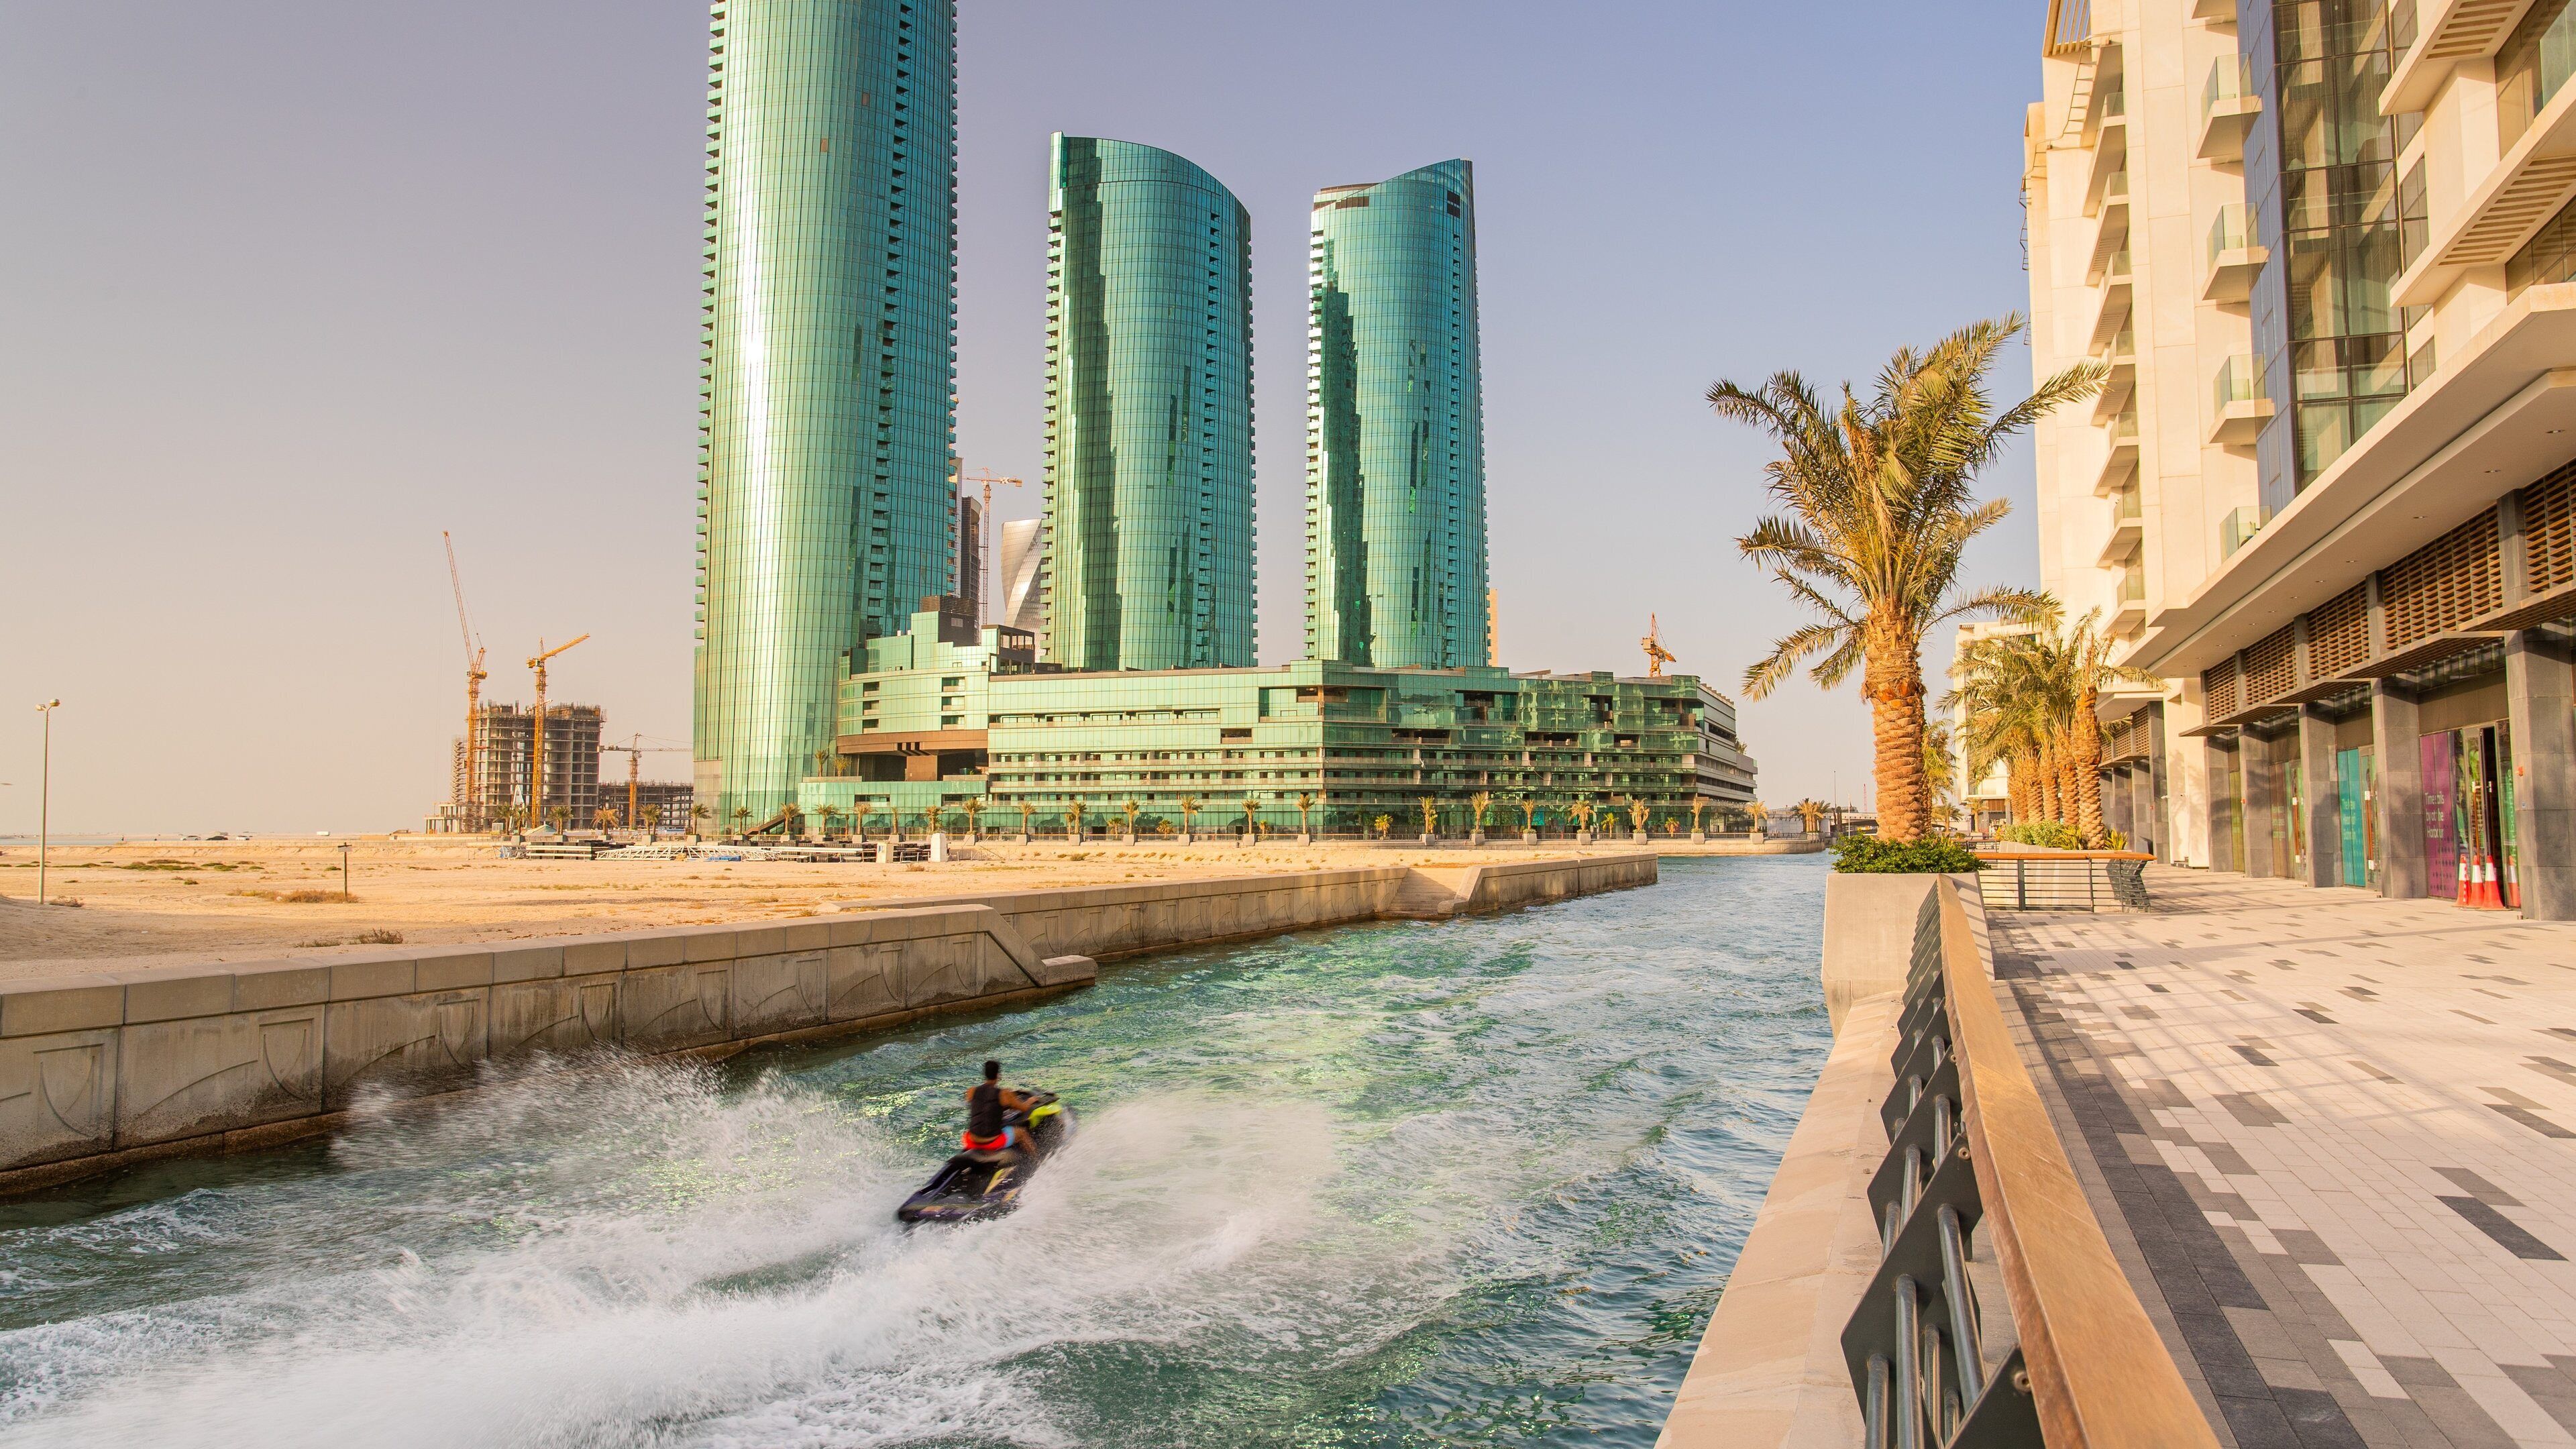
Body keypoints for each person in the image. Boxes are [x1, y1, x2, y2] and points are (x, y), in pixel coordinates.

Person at [963, 1059, 1038, 1161]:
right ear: (998, 1075)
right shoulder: (1004, 1094)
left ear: (985, 1075)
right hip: (992, 1141)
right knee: (1022, 1133)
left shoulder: (972, 1091)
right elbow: (1023, 1108)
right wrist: (1030, 1100)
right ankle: (1037, 1160)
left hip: (971, 1140)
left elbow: (983, 1104)